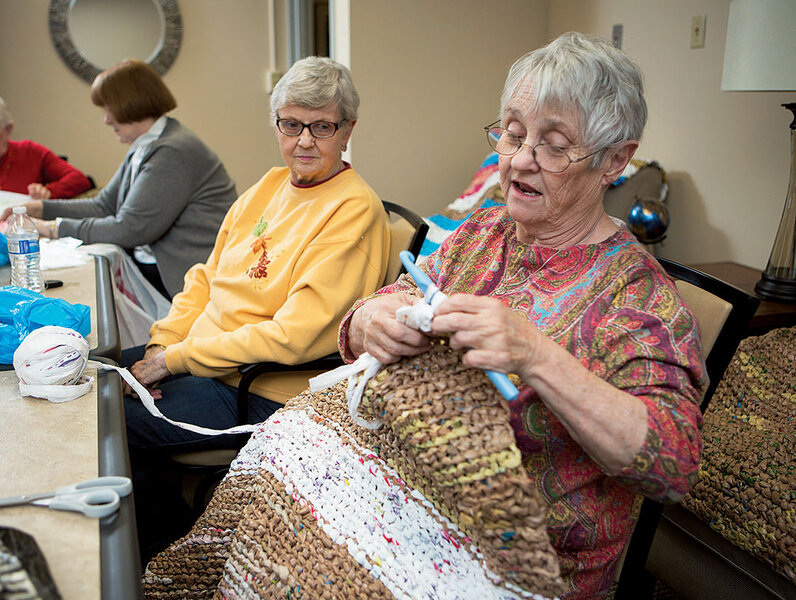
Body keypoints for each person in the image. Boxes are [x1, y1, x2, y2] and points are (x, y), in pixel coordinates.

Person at [340, 33, 706, 598]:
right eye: (511, 134)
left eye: (554, 145)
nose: (516, 161)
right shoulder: (483, 233)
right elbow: (383, 303)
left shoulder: (634, 291)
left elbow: (672, 463)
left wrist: (535, 354)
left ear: (616, 160)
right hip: (414, 516)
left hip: (528, 569)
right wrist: (374, 321)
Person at [123, 56, 391, 560]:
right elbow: (206, 277)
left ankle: (166, 559)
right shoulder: (268, 187)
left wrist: (173, 361)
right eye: (291, 125)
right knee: (98, 373)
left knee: (113, 423)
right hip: (205, 360)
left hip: (260, 388)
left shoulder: (353, 209)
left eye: (322, 127)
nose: (305, 141)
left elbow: (296, 337)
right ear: (277, 125)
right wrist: (163, 343)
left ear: (348, 129)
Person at [0, 59, 237, 298]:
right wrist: (42, 209)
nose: (106, 120)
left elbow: (130, 229)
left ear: (130, 103)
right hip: (161, 267)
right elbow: (104, 205)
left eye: (109, 109)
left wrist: (51, 228)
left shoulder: (172, 151)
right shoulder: (147, 145)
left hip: (183, 277)